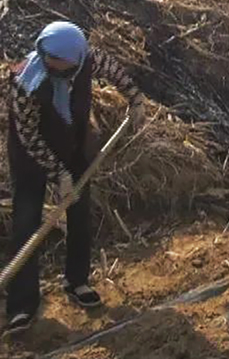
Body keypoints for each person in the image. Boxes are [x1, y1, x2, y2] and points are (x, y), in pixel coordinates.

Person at [4, 21, 146, 335]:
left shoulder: (89, 58)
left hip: (74, 145)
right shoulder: (25, 80)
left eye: (63, 68)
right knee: (27, 224)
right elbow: (29, 137)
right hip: (31, 156)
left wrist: (135, 98)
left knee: (80, 215)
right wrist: (58, 175)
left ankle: (76, 281)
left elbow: (116, 72)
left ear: (78, 59)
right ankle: (22, 305)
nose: (56, 72)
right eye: (51, 65)